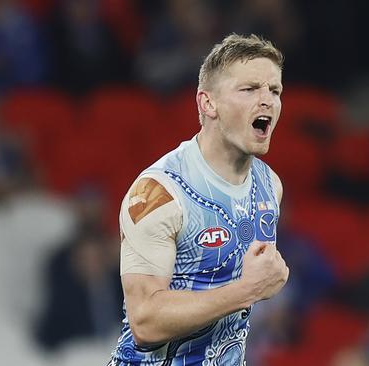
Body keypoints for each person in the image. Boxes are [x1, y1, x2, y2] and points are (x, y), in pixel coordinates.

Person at [108, 34, 289, 365]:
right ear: (208, 104)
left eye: (274, 90)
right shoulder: (159, 193)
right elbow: (144, 321)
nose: (266, 101)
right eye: (249, 89)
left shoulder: (269, 186)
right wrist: (247, 291)